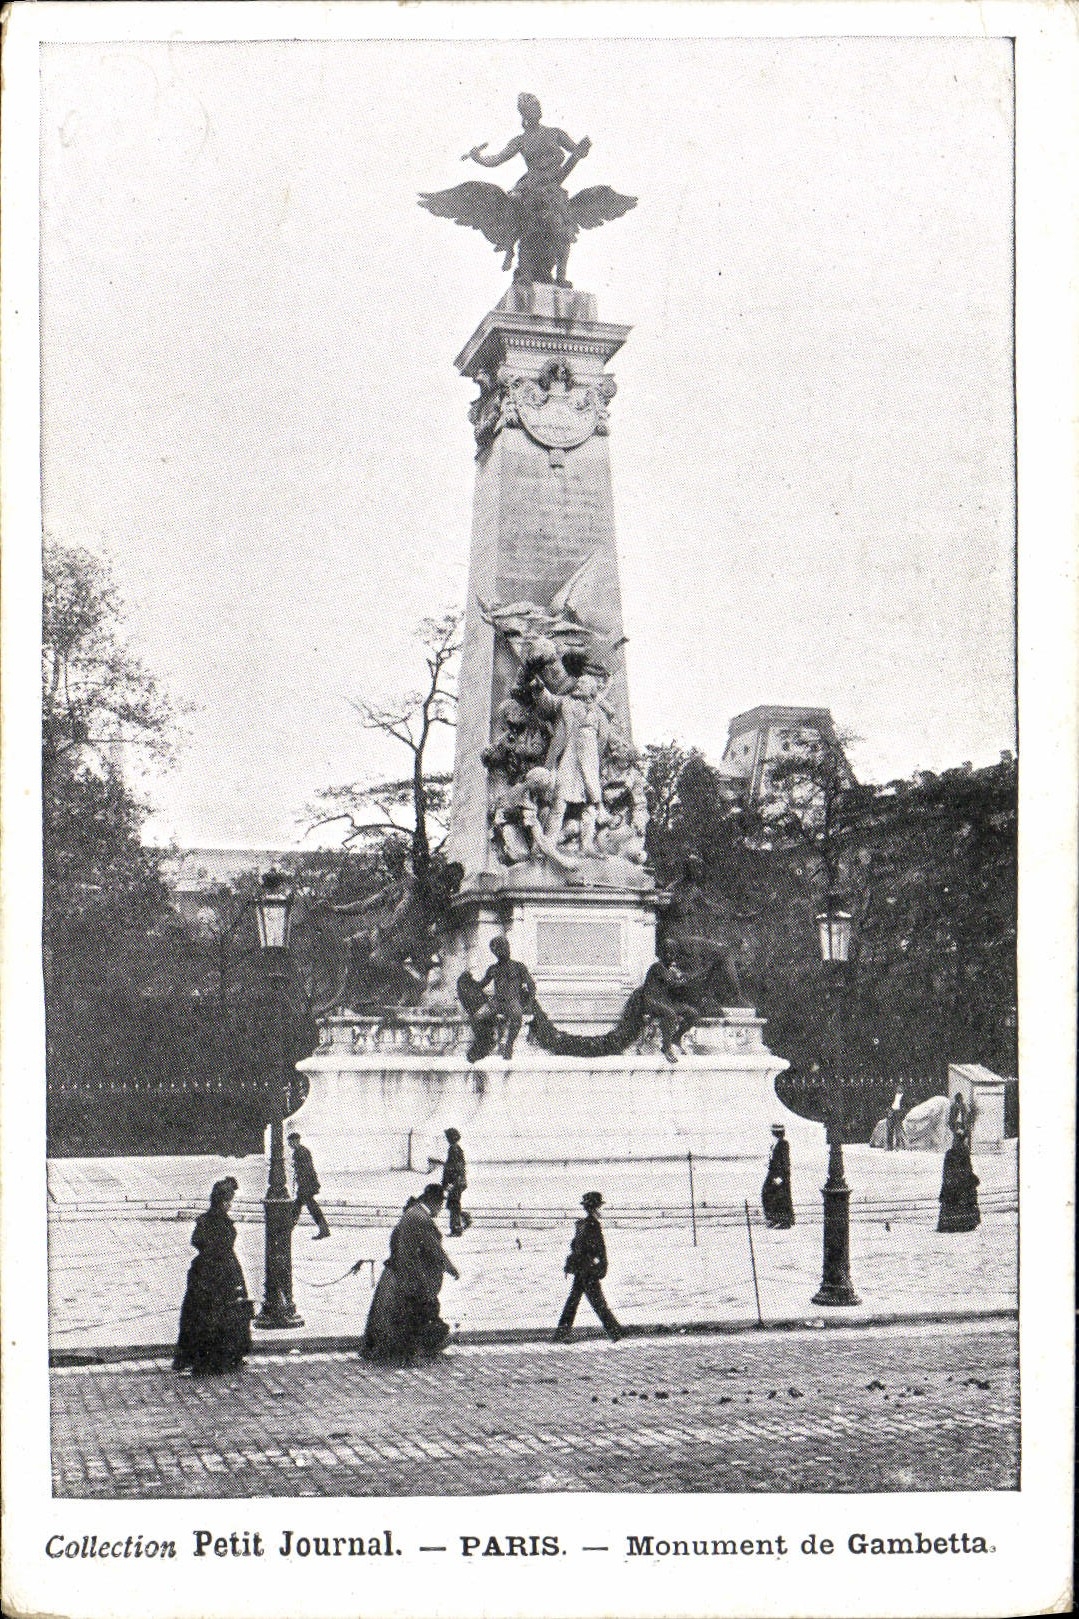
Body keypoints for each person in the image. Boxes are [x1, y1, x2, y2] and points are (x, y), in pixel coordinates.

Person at [360, 1185, 460, 1364]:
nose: (441, 1209)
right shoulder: (422, 1219)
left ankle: (399, 1350)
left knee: (402, 1314)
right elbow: (434, 1249)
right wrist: (451, 1268)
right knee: (420, 1311)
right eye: (441, 1204)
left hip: (399, 1273)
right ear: (434, 1202)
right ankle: (420, 1349)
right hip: (411, 1276)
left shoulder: (412, 1213)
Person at [173, 1177, 253, 1374]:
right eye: (228, 1200)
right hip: (222, 1271)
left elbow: (196, 1241)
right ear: (222, 1201)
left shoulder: (205, 1220)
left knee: (201, 1314)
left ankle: (198, 1357)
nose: (229, 1204)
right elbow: (223, 1245)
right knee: (223, 1312)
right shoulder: (222, 1222)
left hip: (204, 1271)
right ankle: (222, 1357)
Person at [553, 1191, 622, 1342]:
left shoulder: (581, 1225)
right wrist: (602, 1266)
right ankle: (615, 1332)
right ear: (596, 1208)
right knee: (597, 1303)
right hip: (588, 1270)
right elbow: (599, 1249)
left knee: (574, 1301)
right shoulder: (593, 1225)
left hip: (581, 1269)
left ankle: (561, 1333)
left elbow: (575, 1246)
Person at [477, 935, 536, 1060]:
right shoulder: (493, 969)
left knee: (517, 1016)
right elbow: (481, 985)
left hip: (512, 1001)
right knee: (478, 1016)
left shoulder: (519, 966)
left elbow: (531, 985)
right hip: (496, 1002)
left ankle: (509, 1044)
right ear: (495, 952)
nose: (505, 950)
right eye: (499, 948)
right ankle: (489, 1041)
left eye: (506, 947)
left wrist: (529, 1004)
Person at [641, 941, 698, 1063]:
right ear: (662, 954)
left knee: (692, 1013)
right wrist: (685, 979)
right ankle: (666, 1047)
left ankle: (677, 1037)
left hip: (664, 1002)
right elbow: (672, 984)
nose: (671, 956)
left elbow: (676, 983)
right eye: (668, 953)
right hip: (651, 1002)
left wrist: (684, 977)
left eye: (673, 953)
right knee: (670, 1014)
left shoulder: (669, 969)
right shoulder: (657, 967)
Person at [937, 1126, 981, 1233]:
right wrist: (970, 1178)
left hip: (953, 1183)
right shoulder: (960, 1153)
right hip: (958, 1183)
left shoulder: (952, 1153)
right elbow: (965, 1170)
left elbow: (949, 1171)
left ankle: (954, 1224)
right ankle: (964, 1223)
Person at [289, 1133, 330, 1239]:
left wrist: (297, 1167)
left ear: (296, 1141)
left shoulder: (302, 1152)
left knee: (310, 1208)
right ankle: (289, 1227)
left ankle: (289, 1227)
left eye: (291, 1142)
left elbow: (307, 1169)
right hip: (305, 1184)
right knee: (300, 1206)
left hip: (307, 1185)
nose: (289, 1144)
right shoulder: (298, 1152)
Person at [761, 1124, 795, 1229]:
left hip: (779, 1175)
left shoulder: (783, 1144)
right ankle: (774, 1219)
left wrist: (781, 1176)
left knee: (780, 1197)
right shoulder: (775, 1144)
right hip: (773, 1173)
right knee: (769, 1194)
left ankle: (784, 1221)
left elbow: (785, 1161)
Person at [441, 1128, 472, 1237]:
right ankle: (463, 1219)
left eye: (448, 1137)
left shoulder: (454, 1149)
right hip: (458, 1182)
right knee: (452, 1204)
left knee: (453, 1205)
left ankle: (457, 1228)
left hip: (456, 1182)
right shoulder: (456, 1149)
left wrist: (449, 1182)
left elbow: (453, 1167)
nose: (447, 1139)